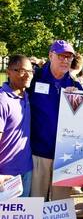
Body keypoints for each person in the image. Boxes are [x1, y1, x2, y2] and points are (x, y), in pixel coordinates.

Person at [28, 40, 82, 201]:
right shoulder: (34, 78)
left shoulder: (75, 85)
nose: (65, 60)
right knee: (36, 203)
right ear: (51, 55)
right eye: (61, 56)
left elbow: (81, 121)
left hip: (63, 156)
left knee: (61, 207)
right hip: (38, 152)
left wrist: (76, 101)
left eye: (69, 57)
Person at [0, 54, 34, 197]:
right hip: (6, 174)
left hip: (26, 169)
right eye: (21, 70)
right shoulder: (2, 100)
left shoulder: (26, 96)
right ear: (9, 72)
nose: (27, 75)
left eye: (30, 71)